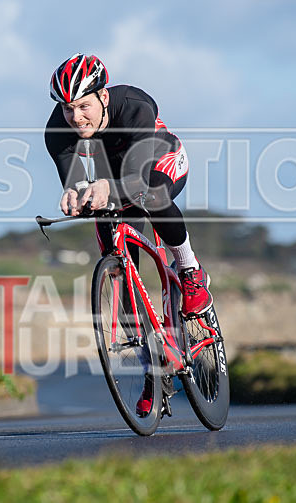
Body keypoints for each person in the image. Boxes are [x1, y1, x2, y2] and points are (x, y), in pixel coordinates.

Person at [44, 53, 213, 416]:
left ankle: (189, 272)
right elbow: (74, 179)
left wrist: (105, 187)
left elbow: (135, 179)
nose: (76, 118)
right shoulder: (57, 130)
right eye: (68, 109)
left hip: (157, 160)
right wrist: (74, 193)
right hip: (112, 174)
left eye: (84, 107)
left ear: (104, 97)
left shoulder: (135, 105)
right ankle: (157, 371)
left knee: (151, 193)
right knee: (121, 274)